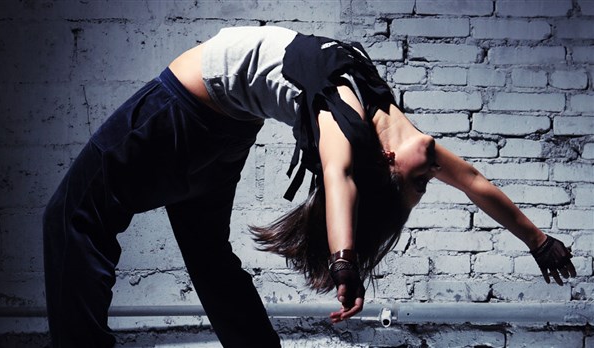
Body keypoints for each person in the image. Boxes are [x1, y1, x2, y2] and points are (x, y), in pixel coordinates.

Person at [43, 26, 576, 347]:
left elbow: (341, 178)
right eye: (423, 180)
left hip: (184, 110)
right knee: (207, 256)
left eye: (418, 181)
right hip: (224, 130)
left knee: (71, 218)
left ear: (386, 162)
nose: (431, 168)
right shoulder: (381, 113)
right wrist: (537, 240)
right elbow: (477, 183)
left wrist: (344, 261)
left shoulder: (343, 121)